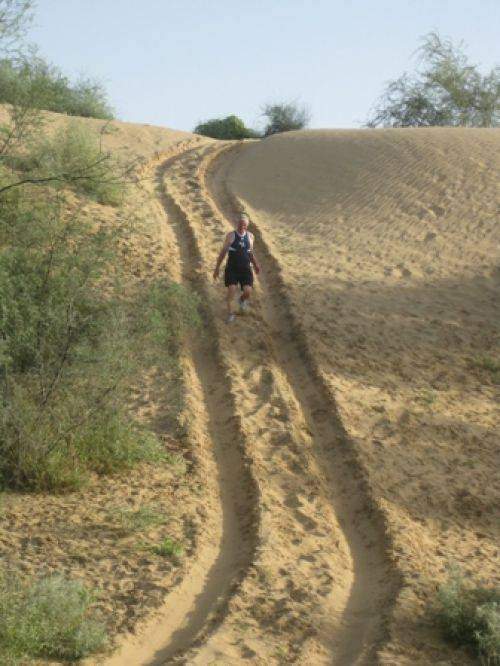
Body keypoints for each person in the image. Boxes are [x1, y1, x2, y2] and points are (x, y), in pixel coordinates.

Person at [213, 213, 260, 322]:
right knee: (232, 290)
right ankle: (230, 314)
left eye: (244, 225)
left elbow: (250, 253)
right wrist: (217, 268)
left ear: (246, 226)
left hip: (245, 269)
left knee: (248, 291)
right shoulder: (231, 236)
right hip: (232, 269)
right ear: (237, 224)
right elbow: (223, 253)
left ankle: (242, 301)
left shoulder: (251, 236)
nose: (241, 226)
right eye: (239, 224)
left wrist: (256, 264)